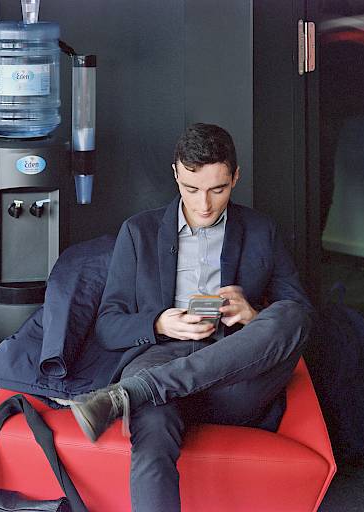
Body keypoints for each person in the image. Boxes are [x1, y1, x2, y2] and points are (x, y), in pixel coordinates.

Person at [70, 123, 314, 512]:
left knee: (292, 315)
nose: (204, 205)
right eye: (191, 189)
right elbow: (108, 325)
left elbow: (298, 312)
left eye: (218, 190)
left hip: (234, 375)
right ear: (175, 175)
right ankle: (143, 390)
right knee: (152, 428)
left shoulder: (261, 230)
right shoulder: (138, 231)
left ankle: (133, 393)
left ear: (236, 177)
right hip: (160, 357)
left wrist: (252, 314)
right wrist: (159, 323)